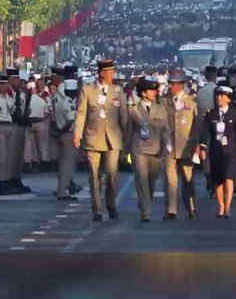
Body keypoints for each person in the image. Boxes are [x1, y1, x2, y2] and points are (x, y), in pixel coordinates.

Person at [73, 59, 127, 222]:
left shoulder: (118, 91)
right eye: (108, 72)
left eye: (112, 72)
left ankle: (111, 204)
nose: (111, 75)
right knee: (94, 175)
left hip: (113, 138)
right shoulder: (88, 90)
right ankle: (96, 208)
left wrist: (127, 137)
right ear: (101, 73)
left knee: (112, 173)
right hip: (93, 137)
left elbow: (123, 116)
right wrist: (77, 133)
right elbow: (81, 112)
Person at [199, 85, 236, 218]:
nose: (219, 98)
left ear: (228, 99)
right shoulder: (211, 114)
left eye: (223, 96)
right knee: (218, 179)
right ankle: (220, 205)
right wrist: (202, 147)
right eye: (218, 95)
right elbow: (205, 132)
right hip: (215, 150)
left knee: (229, 178)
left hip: (230, 151)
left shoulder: (234, 114)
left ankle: (227, 207)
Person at [127, 78, 170, 222]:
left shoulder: (161, 109)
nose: (154, 93)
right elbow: (128, 131)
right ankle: (146, 211)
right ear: (143, 93)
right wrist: (125, 150)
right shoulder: (133, 110)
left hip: (156, 149)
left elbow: (165, 129)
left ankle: (145, 202)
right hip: (138, 149)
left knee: (151, 181)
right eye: (151, 90)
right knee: (141, 180)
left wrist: (167, 145)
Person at [162, 69, 197, 219]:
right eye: (169, 83)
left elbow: (197, 125)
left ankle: (190, 207)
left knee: (188, 179)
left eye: (174, 84)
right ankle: (171, 210)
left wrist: (196, 144)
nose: (170, 86)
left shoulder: (191, 102)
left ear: (182, 85)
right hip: (169, 145)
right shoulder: (163, 100)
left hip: (186, 146)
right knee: (170, 180)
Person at [52, 78, 80, 202]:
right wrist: (63, 130)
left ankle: (64, 189)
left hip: (62, 134)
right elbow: (70, 119)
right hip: (68, 134)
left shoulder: (59, 101)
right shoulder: (68, 102)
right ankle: (63, 191)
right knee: (67, 165)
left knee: (64, 163)